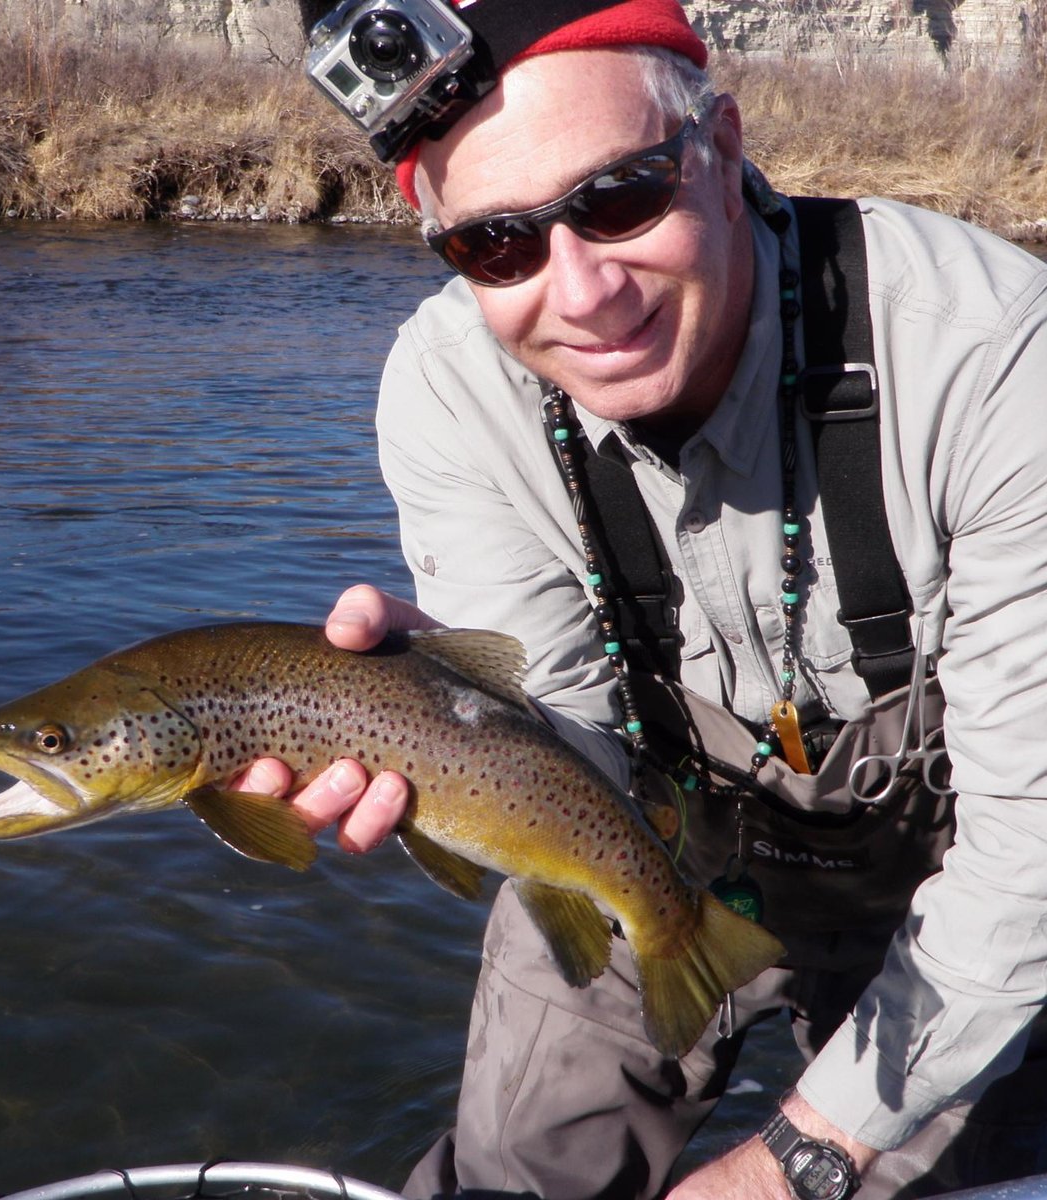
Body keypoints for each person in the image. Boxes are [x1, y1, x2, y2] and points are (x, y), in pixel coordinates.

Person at [238, 2, 1047, 1196]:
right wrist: (445, 718)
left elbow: (1030, 856)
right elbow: (566, 743)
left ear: (720, 150)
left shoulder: (991, 360)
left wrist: (798, 1160)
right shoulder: (447, 392)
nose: (583, 293)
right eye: (496, 246)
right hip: (627, 833)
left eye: (619, 197)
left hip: (960, 877)